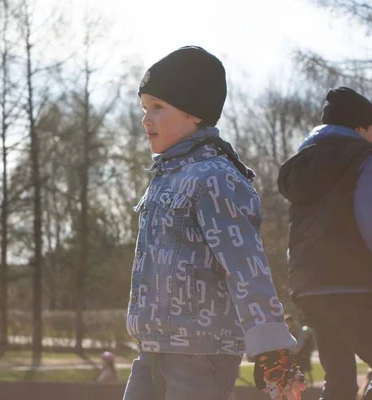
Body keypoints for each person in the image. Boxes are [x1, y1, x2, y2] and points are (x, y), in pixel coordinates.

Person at [123, 46, 305, 400]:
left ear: (194, 114)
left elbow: (246, 266)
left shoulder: (216, 179)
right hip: (154, 347)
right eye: (144, 107)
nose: (146, 119)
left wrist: (271, 350)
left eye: (158, 107)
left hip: (201, 353)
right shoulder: (165, 178)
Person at [278, 87, 372, 399]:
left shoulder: (303, 166)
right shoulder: (365, 158)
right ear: (358, 129)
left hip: (308, 287)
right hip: (349, 284)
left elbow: (297, 234)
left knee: (339, 378)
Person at [284, 315, 315, 386]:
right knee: (295, 368)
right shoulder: (288, 329)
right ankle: (300, 383)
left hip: (301, 352)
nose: (286, 324)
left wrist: (295, 351)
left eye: (287, 322)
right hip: (295, 352)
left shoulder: (298, 329)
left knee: (303, 368)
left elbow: (301, 343)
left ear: (290, 321)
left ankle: (307, 383)